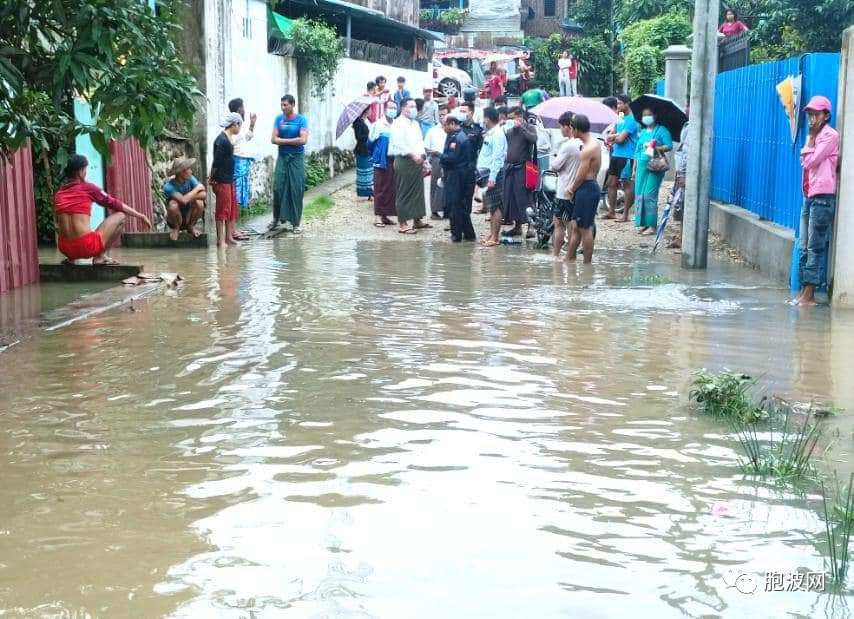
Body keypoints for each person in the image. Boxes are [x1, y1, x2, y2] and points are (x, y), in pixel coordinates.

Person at [54, 155, 151, 264]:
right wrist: (140, 215)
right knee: (121, 216)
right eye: (85, 170)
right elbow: (116, 204)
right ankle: (99, 257)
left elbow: (58, 225)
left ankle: (71, 259)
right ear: (80, 172)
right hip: (85, 247)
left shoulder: (59, 194)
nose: (86, 173)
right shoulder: (88, 188)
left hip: (65, 249)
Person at [795, 95, 839, 306]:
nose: (812, 118)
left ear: (826, 115)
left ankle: (809, 295)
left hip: (822, 198)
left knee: (814, 247)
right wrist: (810, 143)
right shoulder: (813, 136)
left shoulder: (830, 136)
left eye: (816, 114)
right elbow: (804, 161)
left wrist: (811, 142)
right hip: (809, 196)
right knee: (803, 246)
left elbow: (811, 161)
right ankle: (803, 291)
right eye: (810, 114)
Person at [389, 98, 430, 234]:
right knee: (404, 192)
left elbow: (419, 142)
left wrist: (424, 160)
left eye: (414, 107)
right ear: (403, 108)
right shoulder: (398, 123)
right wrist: (413, 155)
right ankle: (403, 223)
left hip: (418, 160)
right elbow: (399, 143)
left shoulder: (415, 123)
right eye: (410, 106)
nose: (414, 109)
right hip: (404, 160)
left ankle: (417, 220)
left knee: (418, 192)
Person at [565, 114, 601, 263]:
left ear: (576, 129)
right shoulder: (593, 143)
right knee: (576, 226)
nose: (569, 130)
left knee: (585, 228)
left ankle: (587, 265)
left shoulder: (588, 149)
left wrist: (571, 189)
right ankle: (569, 259)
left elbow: (581, 175)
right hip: (588, 188)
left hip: (587, 188)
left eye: (570, 127)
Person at [270, 94, 309, 234]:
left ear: (293, 105)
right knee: (277, 187)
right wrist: (292, 140)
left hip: (296, 158)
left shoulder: (301, 120)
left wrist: (283, 141)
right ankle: (276, 218)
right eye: (281, 105)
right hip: (282, 157)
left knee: (296, 189)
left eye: (285, 105)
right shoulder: (278, 119)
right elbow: (273, 139)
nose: (283, 107)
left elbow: (303, 140)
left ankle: (296, 223)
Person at [634, 107, 673, 235]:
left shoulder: (661, 130)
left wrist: (656, 147)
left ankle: (652, 225)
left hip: (655, 165)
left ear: (655, 115)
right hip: (641, 165)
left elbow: (669, 146)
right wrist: (634, 168)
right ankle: (644, 223)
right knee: (640, 194)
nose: (646, 117)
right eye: (644, 115)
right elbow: (637, 150)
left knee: (649, 194)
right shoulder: (642, 131)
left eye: (649, 114)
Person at [549, 112, 582, 258]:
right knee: (573, 224)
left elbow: (555, 166)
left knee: (559, 223)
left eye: (561, 127)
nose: (560, 130)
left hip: (564, 190)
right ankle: (571, 255)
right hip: (578, 189)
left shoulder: (568, 145)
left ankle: (556, 255)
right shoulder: (584, 143)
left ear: (568, 126)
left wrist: (556, 158)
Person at [502, 107, 537, 237]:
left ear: (521, 117)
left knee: (526, 198)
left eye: (515, 117)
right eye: (511, 118)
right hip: (511, 167)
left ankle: (531, 226)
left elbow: (533, 140)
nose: (513, 120)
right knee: (512, 198)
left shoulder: (529, 128)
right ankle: (517, 227)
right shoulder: (510, 131)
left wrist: (522, 127)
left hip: (523, 168)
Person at [441, 114, 476, 242]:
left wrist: (439, 155)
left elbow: (452, 158)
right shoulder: (456, 135)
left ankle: (456, 235)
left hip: (457, 175)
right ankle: (468, 234)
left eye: (444, 125)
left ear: (451, 124)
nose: (443, 128)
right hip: (461, 174)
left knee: (454, 205)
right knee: (461, 205)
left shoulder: (457, 138)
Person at [210, 112, 243, 248]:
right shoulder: (221, 140)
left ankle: (229, 237)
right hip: (222, 180)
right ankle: (220, 240)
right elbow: (216, 162)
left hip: (229, 178)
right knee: (222, 210)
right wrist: (212, 177)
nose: (240, 128)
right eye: (239, 125)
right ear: (234, 124)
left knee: (230, 210)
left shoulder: (229, 138)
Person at [477, 107, 509, 248]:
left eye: (483, 118)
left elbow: (497, 158)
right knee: (491, 206)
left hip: (493, 174)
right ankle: (491, 234)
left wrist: (492, 178)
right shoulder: (490, 133)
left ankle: (495, 237)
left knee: (496, 206)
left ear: (487, 119)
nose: (482, 121)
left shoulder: (497, 134)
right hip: (486, 173)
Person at [605, 94, 639, 221]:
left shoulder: (633, 120)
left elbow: (620, 139)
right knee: (611, 182)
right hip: (616, 154)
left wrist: (615, 137)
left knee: (627, 184)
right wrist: (615, 136)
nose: (617, 106)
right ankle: (611, 211)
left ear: (627, 104)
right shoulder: (620, 117)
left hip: (627, 156)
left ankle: (625, 215)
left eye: (620, 103)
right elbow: (610, 135)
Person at [369, 99, 399, 227]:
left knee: (391, 187)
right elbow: (370, 143)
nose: (393, 110)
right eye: (390, 108)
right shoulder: (378, 125)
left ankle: (385, 215)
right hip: (381, 160)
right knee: (380, 187)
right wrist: (378, 154)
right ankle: (378, 217)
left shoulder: (397, 124)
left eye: (394, 108)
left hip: (395, 158)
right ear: (385, 109)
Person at [163, 157, 206, 241]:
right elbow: (183, 200)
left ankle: (191, 226)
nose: (191, 171)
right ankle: (176, 228)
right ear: (181, 172)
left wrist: (189, 197)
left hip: (189, 216)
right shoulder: (168, 186)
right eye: (188, 169)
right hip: (174, 220)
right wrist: (197, 189)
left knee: (199, 202)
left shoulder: (191, 179)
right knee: (173, 204)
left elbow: (204, 195)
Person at [228, 98, 257, 213]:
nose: (245, 109)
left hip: (242, 163)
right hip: (237, 163)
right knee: (236, 195)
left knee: (239, 196)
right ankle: (234, 229)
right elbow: (231, 143)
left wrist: (252, 125)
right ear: (239, 108)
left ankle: (235, 228)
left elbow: (246, 138)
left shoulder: (240, 124)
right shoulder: (233, 124)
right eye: (243, 106)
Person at [424, 106, 449, 220]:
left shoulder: (453, 129)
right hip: (436, 159)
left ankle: (447, 209)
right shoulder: (433, 130)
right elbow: (426, 147)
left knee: (449, 185)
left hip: (450, 159)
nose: (442, 117)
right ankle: (434, 211)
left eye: (444, 114)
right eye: (440, 115)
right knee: (435, 184)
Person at [460, 101, 483, 215]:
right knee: (455, 197)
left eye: (464, 111)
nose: (462, 114)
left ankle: (465, 222)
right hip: (456, 169)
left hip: (470, 169)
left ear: (471, 112)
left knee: (467, 197)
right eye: (461, 111)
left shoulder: (478, 130)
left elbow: (481, 151)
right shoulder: (456, 127)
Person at [353, 108, 373, 202]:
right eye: (370, 109)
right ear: (365, 111)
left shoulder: (364, 121)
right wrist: (369, 136)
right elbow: (358, 137)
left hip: (367, 150)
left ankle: (370, 194)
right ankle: (366, 194)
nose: (371, 111)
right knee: (364, 174)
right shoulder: (358, 122)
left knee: (368, 173)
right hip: (362, 150)